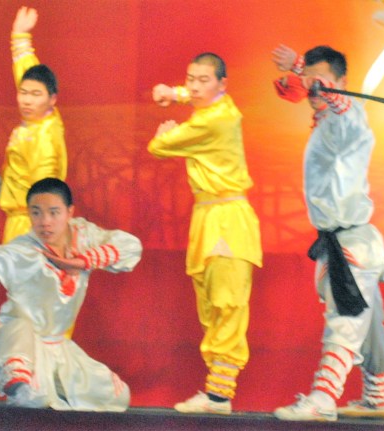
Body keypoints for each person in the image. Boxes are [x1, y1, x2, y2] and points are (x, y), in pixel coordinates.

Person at [265, 45, 384, 422]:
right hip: (343, 240)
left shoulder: (350, 119)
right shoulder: (325, 121)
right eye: (310, 81)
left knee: (345, 320)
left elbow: (348, 117)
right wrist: (302, 72)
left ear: (341, 83)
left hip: (352, 245)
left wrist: (321, 84)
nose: (313, 88)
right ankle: (377, 396)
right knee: (367, 322)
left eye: (323, 81)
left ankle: (323, 397)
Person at [0, 178, 140, 411]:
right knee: (29, 388)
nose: (45, 222)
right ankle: (21, 382)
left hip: (59, 346)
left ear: (69, 212)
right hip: (21, 340)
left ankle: (55, 388)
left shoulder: (84, 236)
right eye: (36, 213)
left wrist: (82, 261)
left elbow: (130, 247)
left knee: (118, 397)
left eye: (53, 213)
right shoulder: (25, 250)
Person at [149, 53, 263, 414]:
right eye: (191, 79)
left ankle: (219, 395)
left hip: (227, 219)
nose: (195, 87)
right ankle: (216, 389)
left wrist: (165, 132)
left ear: (222, 84)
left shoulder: (213, 121)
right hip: (208, 215)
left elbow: (159, 146)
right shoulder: (220, 106)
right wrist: (176, 93)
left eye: (203, 80)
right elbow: (197, 96)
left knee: (227, 304)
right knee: (211, 305)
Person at [0, 6, 67, 244]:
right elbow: (28, 75)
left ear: (52, 99)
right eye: (23, 93)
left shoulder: (43, 138)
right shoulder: (43, 115)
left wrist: (40, 233)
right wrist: (20, 37)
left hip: (29, 225)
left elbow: (44, 191)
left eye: (35, 95)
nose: (27, 100)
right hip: (21, 219)